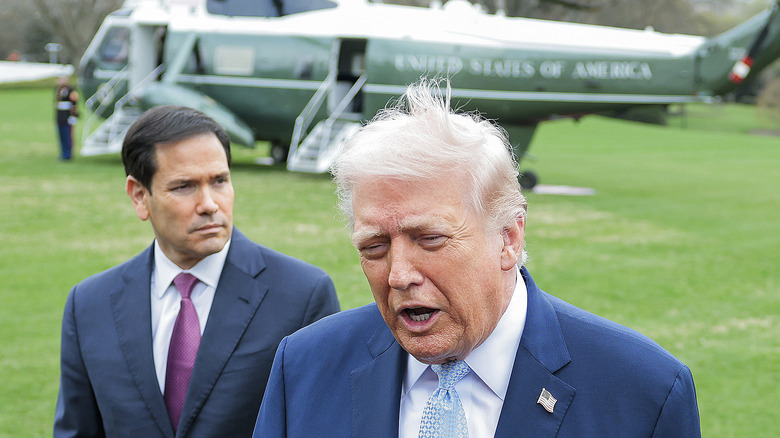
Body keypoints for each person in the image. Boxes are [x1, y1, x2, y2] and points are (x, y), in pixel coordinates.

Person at [253, 80, 701, 437]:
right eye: (375, 247)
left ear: (508, 237)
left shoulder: (644, 392)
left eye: (429, 238)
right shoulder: (305, 367)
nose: (399, 275)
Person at [54, 105, 340, 437]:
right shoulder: (90, 304)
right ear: (139, 196)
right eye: (184, 186)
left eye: (219, 181)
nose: (209, 203)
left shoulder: (302, 295)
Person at [55, 76, 79, 161]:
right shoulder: (57, 89)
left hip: (67, 117)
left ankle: (68, 154)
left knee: (67, 136)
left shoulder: (70, 90)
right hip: (60, 117)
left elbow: (74, 103)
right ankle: (63, 152)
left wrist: (73, 116)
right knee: (61, 136)